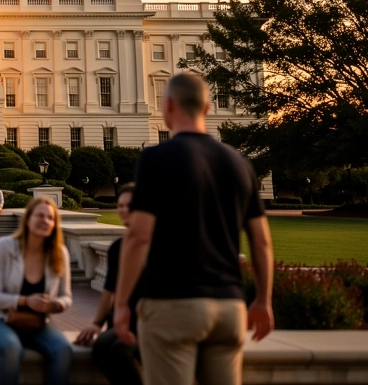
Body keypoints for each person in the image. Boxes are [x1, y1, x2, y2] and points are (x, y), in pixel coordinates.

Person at [114, 72, 274, 385]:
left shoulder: (157, 158)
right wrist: (263, 301)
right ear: (208, 108)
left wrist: (121, 304)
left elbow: (139, 236)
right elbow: (262, 242)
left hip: (173, 303)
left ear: (169, 105)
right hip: (229, 308)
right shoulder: (240, 163)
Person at [0, 197, 74, 385]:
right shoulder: (5, 246)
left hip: (36, 324)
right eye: (39, 215)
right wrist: (25, 301)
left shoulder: (59, 253)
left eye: (50, 218)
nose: (44, 221)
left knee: (63, 350)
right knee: (12, 348)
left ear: (54, 224)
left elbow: (67, 296)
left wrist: (57, 304)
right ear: (28, 219)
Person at [75, 183, 142, 385]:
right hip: (124, 320)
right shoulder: (117, 248)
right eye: (120, 205)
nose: (123, 210)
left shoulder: (157, 244)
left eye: (128, 205)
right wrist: (96, 323)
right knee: (102, 346)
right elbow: (109, 289)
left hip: (151, 321)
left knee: (120, 350)